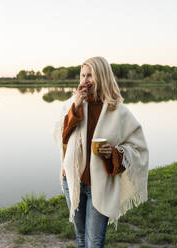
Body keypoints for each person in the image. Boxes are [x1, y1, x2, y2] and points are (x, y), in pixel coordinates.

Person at [53, 56, 149, 248]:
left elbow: (138, 148)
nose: (85, 80)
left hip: (101, 183)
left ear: (103, 77)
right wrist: (76, 107)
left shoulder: (118, 110)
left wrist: (114, 152)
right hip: (73, 180)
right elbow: (61, 136)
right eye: (83, 75)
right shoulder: (72, 104)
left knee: (94, 242)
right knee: (81, 239)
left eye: (91, 75)